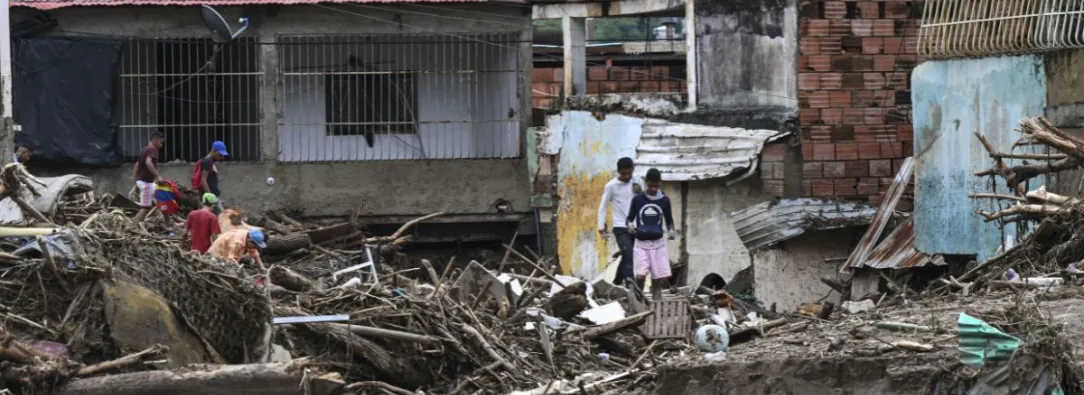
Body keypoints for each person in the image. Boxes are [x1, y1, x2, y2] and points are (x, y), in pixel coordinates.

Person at [626, 168, 677, 301]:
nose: (653, 189)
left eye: (656, 186)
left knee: (657, 277)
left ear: (660, 183)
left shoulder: (665, 200)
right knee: (641, 275)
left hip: (658, 243)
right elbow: (629, 218)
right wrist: (630, 225)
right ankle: (638, 301)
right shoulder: (637, 199)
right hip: (641, 242)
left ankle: (657, 303)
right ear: (646, 183)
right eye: (650, 185)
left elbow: (669, 220)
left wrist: (671, 230)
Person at [597, 157, 643, 287]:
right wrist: (601, 226)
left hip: (636, 226)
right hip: (620, 227)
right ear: (618, 172)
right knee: (627, 253)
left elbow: (645, 201)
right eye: (623, 173)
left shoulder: (638, 181)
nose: (627, 176)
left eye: (629, 173)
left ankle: (617, 281)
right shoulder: (611, 186)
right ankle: (631, 287)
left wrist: (641, 193)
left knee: (627, 255)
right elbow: (603, 207)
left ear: (633, 170)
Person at [133, 132, 165, 223]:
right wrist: (158, 176)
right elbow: (148, 162)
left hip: (143, 182)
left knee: (162, 197)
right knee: (145, 208)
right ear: (156, 140)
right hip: (146, 183)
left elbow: (136, 166)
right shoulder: (152, 149)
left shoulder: (144, 150)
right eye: (161, 143)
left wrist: (135, 183)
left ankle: (168, 221)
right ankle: (132, 225)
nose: (161, 145)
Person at [192, 141, 228, 213]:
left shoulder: (208, 161)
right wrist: (210, 196)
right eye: (220, 155)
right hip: (212, 196)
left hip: (209, 196)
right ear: (214, 151)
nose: (222, 157)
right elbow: (203, 179)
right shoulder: (208, 161)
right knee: (222, 217)